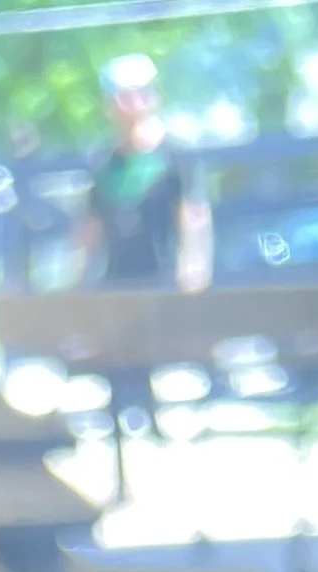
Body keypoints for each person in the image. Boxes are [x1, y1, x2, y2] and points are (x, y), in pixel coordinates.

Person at [82, 53, 211, 463]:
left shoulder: (174, 156)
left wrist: (193, 266)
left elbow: (191, 215)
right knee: (118, 356)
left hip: (162, 273)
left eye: (139, 94)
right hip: (117, 276)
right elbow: (90, 226)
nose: (131, 104)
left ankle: (167, 429)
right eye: (122, 96)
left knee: (163, 354)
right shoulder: (104, 164)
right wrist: (78, 274)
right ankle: (124, 431)